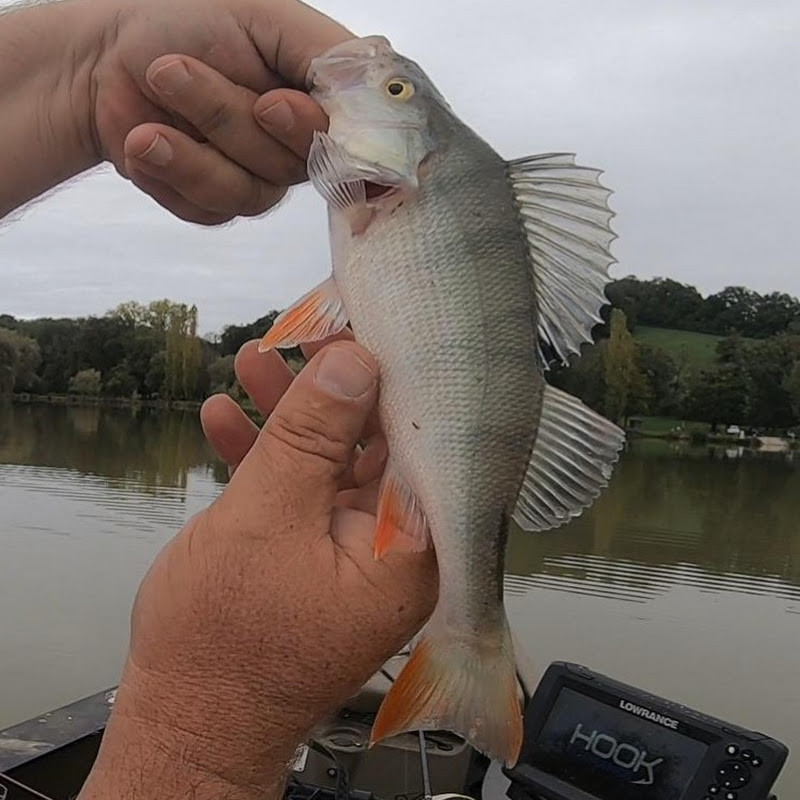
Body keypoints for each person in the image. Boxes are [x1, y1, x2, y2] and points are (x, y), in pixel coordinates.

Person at [0, 0, 439, 798]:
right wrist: (206, 732)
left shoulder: (405, 195)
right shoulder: (386, 196)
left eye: (400, 95)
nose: (384, 85)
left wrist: (96, 62)